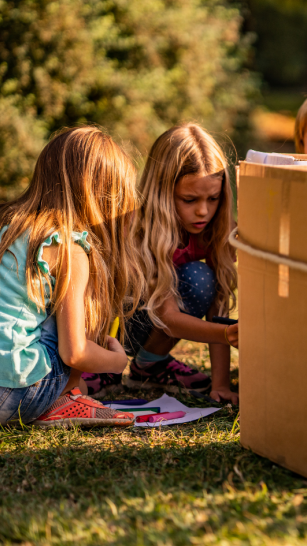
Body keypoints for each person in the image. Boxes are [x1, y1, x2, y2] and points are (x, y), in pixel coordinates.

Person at [0, 126, 144, 427]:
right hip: (15, 395)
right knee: (84, 297)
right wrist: (117, 362)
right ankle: (68, 395)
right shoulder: (68, 247)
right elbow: (75, 352)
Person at [82, 123, 240, 405]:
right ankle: (101, 363)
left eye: (213, 198)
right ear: (163, 192)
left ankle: (150, 366)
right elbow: (168, 316)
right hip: (117, 318)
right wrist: (227, 334)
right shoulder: (139, 228)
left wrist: (221, 384)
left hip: (154, 321)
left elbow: (219, 309)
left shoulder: (217, 229)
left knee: (201, 278)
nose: (203, 211)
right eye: (189, 200)